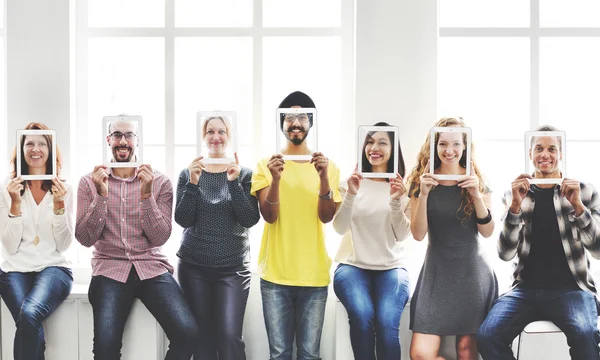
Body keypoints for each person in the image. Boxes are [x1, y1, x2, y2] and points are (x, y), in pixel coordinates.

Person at [75, 118, 199, 360]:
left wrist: (146, 195)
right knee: (105, 348)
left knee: (188, 334)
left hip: (150, 267)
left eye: (129, 135)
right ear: (108, 139)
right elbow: (84, 238)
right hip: (109, 269)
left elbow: (160, 236)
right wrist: (101, 196)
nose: (123, 141)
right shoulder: (89, 182)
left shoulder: (159, 182)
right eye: (117, 135)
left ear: (137, 140)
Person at [477, 125, 600, 360]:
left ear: (561, 154)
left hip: (572, 289)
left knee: (585, 334)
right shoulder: (514, 194)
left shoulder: (585, 191)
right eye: (539, 149)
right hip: (525, 289)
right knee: (487, 336)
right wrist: (514, 208)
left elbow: (598, 250)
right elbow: (505, 253)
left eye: (552, 148)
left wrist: (578, 207)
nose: (545, 154)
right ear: (530, 154)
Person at [251, 91, 342, 360]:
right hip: (275, 276)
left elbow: (326, 217)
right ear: (281, 123)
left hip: (314, 276)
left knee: (309, 355)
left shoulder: (329, 167)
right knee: (279, 354)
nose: (296, 122)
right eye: (289, 117)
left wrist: (324, 179)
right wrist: (276, 179)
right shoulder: (265, 165)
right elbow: (269, 216)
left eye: (303, 116)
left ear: (311, 123)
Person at [407, 117, 497, 360]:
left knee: (466, 352)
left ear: (465, 146)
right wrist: (424, 194)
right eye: (443, 144)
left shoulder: (477, 179)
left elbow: (487, 232)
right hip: (436, 272)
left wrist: (476, 196)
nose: (449, 151)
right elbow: (417, 235)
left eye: (456, 144)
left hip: (471, 272)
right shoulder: (421, 181)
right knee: (420, 354)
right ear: (434, 146)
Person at [174, 115, 260, 360]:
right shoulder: (189, 173)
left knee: (230, 337)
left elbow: (249, 219)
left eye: (221, 131)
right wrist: (192, 183)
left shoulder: (244, 174)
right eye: (210, 131)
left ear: (229, 136)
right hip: (194, 266)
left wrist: (233, 183)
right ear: (203, 136)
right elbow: (183, 219)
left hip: (232, 268)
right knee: (202, 339)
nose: (215, 136)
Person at [332, 121, 411, 360]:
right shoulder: (350, 183)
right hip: (352, 266)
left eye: (382, 142)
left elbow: (402, 234)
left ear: (393, 150)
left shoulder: (401, 188)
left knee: (387, 322)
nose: (374, 147)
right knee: (362, 315)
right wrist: (352, 195)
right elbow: (339, 227)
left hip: (392, 268)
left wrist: (396, 201)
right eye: (370, 141)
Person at [0, 122, 73, 360]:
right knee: (29, 322)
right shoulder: (7, 188)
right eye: (29, 143)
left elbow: (63, 245)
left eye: (42, 143)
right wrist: (15, 203)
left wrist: (60, 205)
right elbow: (10, 246)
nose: (36, 148)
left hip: (54, 267)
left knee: (30, 314)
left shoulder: (63, 188)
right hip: (15, 269)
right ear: (21, 150)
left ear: (50, 150)